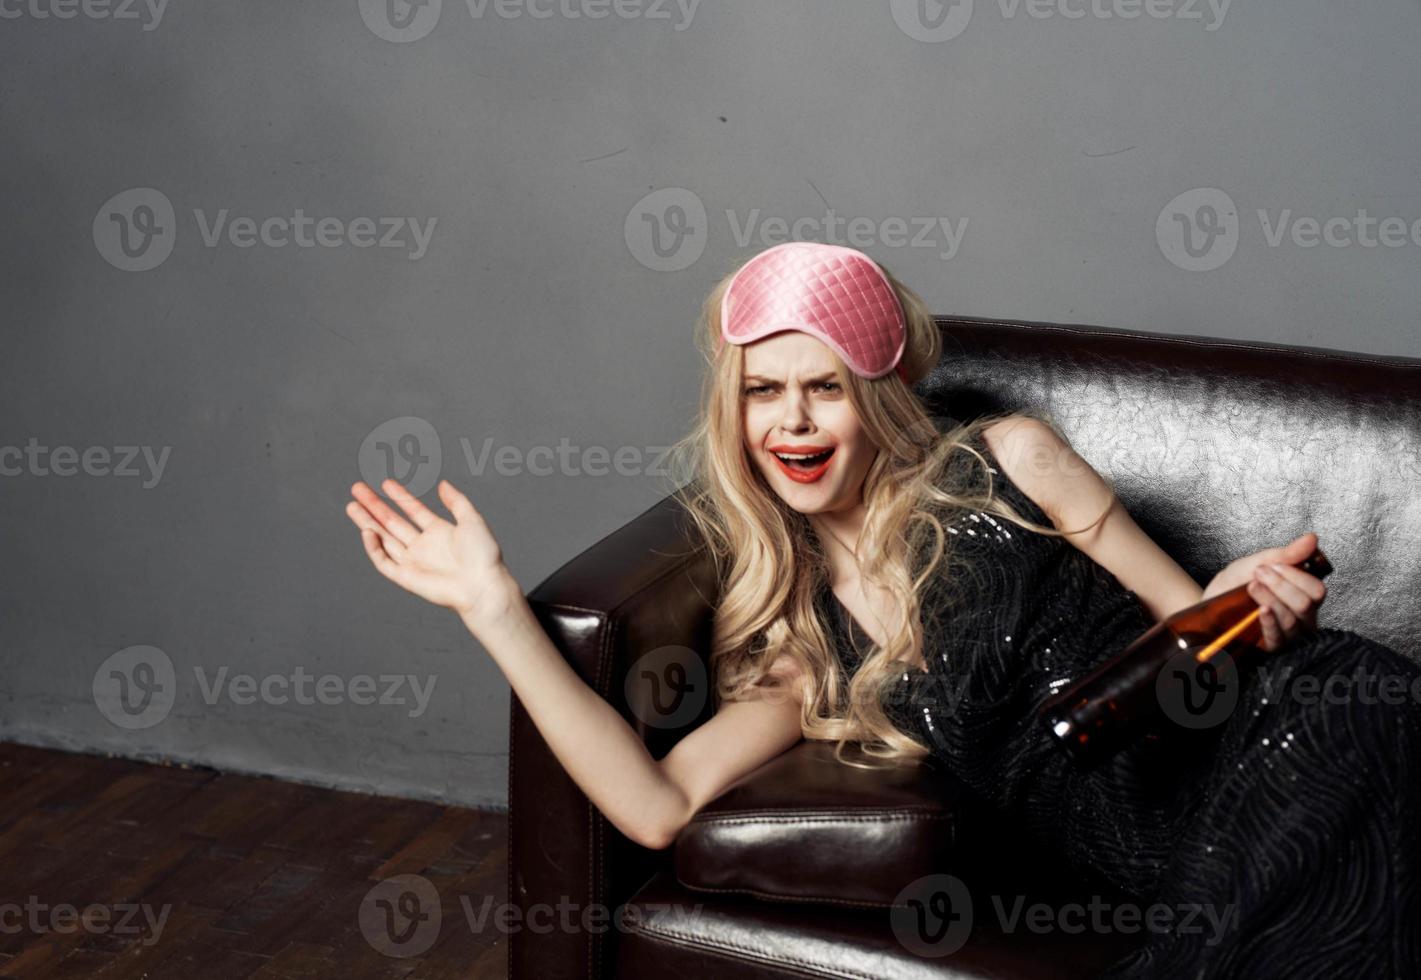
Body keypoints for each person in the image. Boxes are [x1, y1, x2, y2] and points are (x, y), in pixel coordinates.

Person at [344, 240, 1421, 978]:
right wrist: (492, 608)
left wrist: (1245, 598)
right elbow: (655, 806)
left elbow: (1188, 626)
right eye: (763, 391)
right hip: (1168, 845)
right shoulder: (807, 644)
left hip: (1302, 718)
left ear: (873, 396)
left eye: (823, 387)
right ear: (735, 412)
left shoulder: (1011, 456)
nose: (793, 421)